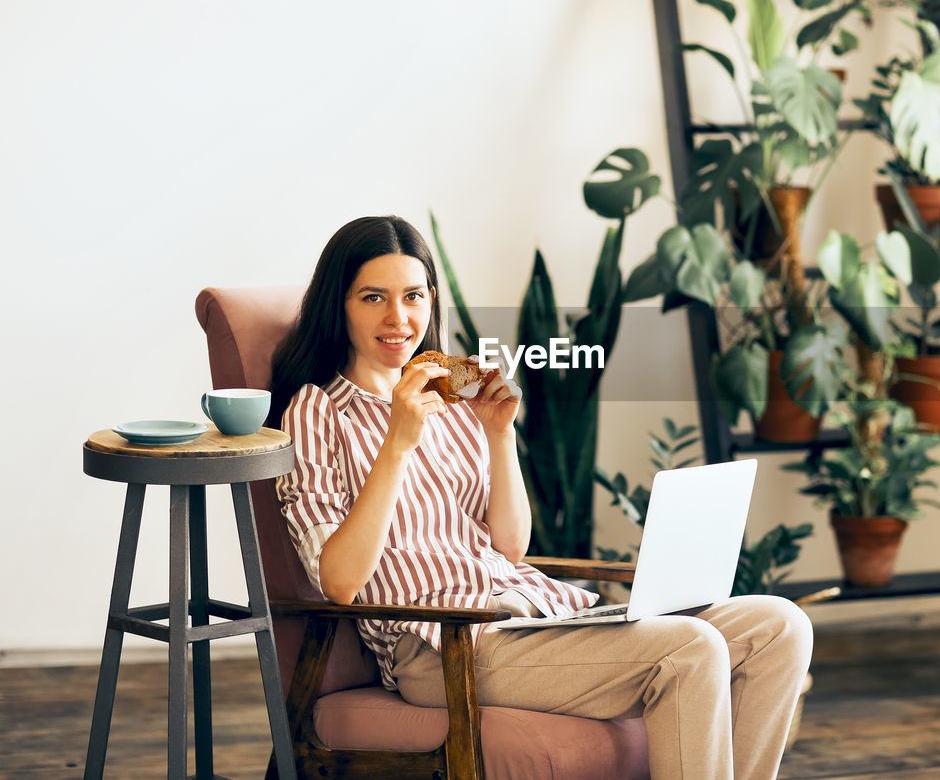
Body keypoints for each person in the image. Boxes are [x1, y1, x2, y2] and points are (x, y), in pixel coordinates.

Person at [270, 215, 813, 779]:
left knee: (779, 627)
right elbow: (338, 580)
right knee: (691, 648)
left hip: (533, 615)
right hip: (444, 645)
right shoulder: (317, 409)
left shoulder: (452, 396)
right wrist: (397, 444)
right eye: (372, 297)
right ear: (341, 304)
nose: (397, 318)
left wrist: (500, 434)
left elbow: (510, 546)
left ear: (432, 298)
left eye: (412, 295)